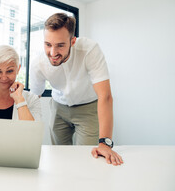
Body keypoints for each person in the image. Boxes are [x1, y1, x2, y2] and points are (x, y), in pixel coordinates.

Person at [30, 13, 123, 165]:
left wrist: (105, 144)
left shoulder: (90, 50)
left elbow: (105, 96)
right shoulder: (38, 63)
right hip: (58, 108)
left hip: (88, 108)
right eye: (48, 44)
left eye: (60, 45)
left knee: (87, 159)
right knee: (59, 158)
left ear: (72, 41)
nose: (53, 53)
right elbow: (34, 98)